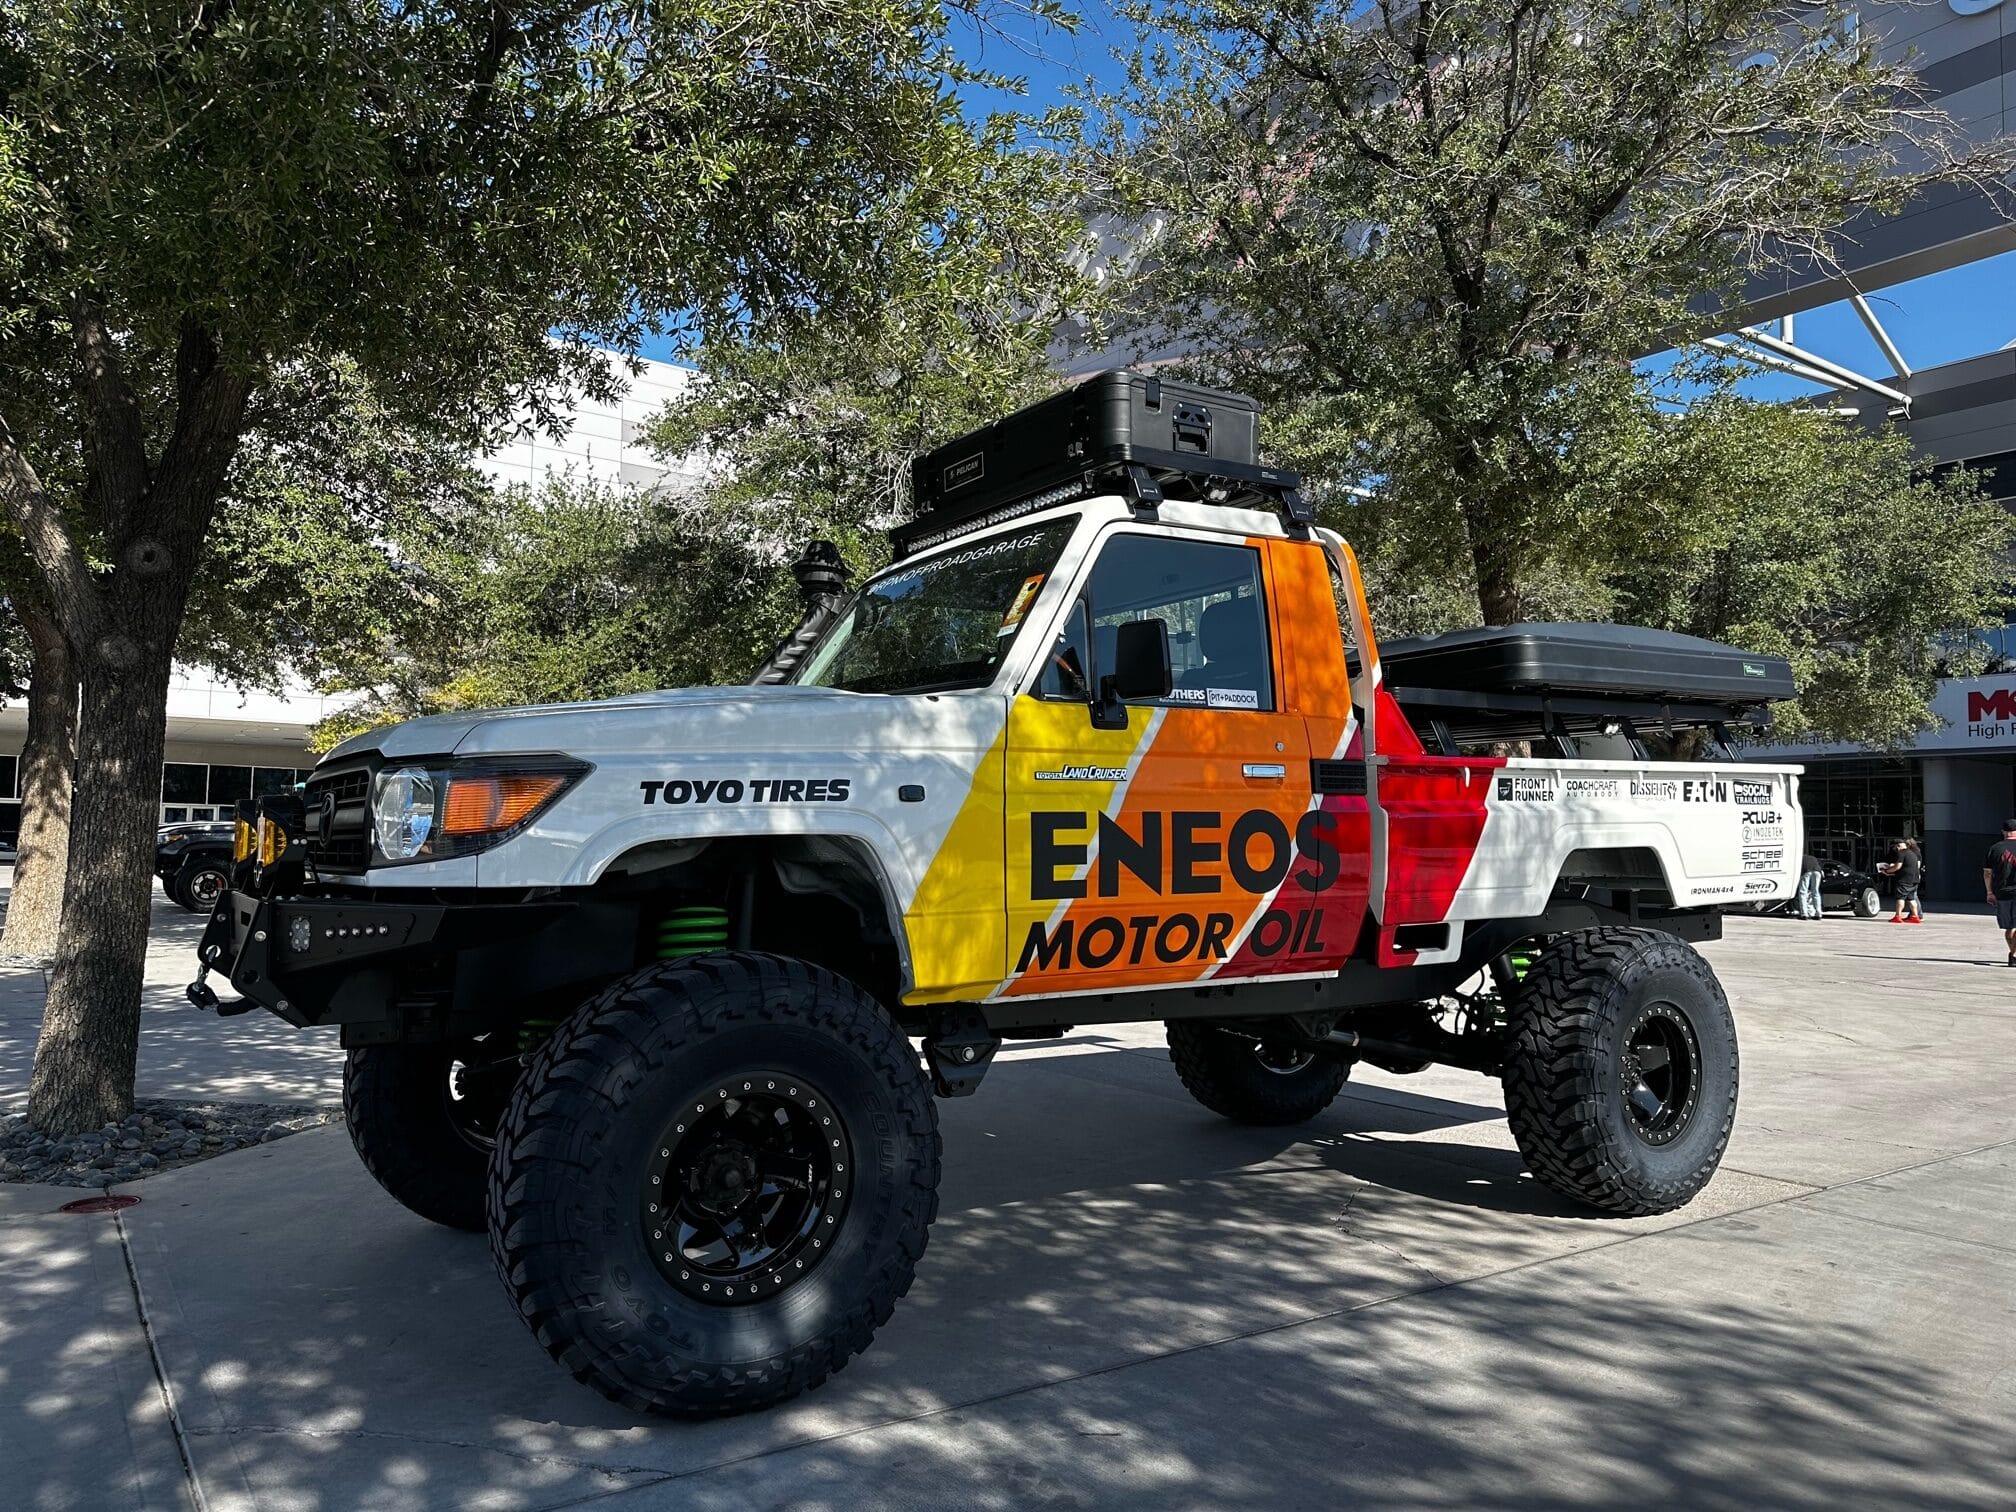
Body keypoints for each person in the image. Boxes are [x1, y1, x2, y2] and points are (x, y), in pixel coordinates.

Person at [1983, 821, 2016, 966]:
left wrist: (1989, 892)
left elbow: (1987, 873)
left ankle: (2013, 954)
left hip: (2002, 893)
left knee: (2010, 927)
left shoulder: (1994, 849)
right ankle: (2014, 954)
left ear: (2003, 831)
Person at [1879, 839, 1924, 924]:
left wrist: (1887, 871)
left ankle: (1898, 916)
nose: (1895, 849)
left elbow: (1898, 866)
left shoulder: (1901, 853)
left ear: (1898, 845)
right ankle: (1915, 916)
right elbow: (1908, 866)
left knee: (1900, 898)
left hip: (1904, 880)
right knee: (1911, 899)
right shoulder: (1912, 853)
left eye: (1895, 847)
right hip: (1914, 880)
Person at [1797, 851, 1825, 920]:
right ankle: (1818, 913)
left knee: (1803, 892)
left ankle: (1804, 914)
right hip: (1817, 871)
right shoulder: (1813, 858)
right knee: (1815, 892)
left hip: (1807, 871)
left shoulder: (1799, 858)